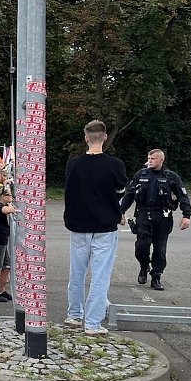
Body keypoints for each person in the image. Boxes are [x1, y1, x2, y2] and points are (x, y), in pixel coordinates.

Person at [63, 120, 128, 335]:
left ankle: (74, 315)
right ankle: (92, 323)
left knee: (77, 273)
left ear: (86, 138)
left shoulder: (73, 163)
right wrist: (118, 212)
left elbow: (70, 191)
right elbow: (120, 191)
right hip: (104, 226)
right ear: (105, 137)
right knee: (100, 275)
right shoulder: (115, 164)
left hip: (78, 224)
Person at [120, 149, 191, 291]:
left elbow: (183, 196)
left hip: (163, 216)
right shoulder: (141, 174)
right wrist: (120, 211)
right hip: (143, 214)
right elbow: (129, 194)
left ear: (161, 160)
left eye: (153, 158)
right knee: (141, 246)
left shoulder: (171, 177)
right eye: (149, 158)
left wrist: (186, 215)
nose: (150, 160)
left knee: (160, 249)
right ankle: (144, 266)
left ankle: (156, 276)